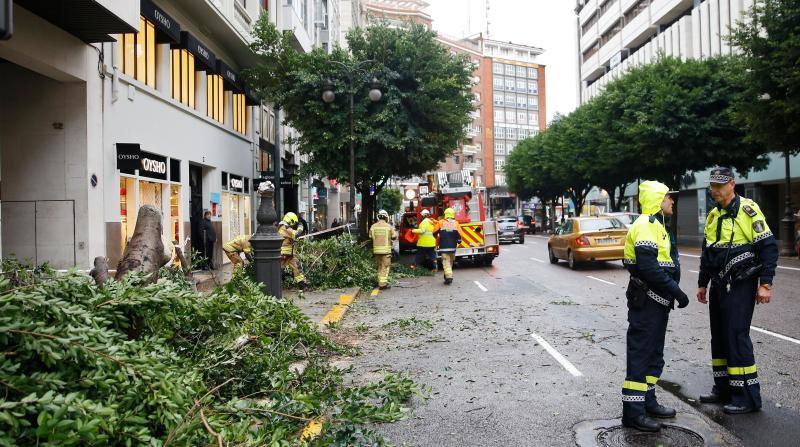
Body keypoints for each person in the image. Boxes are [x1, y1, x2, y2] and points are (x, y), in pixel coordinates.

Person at [696, 167, 778, 414]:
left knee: (736, 335)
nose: (715, 191)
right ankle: (723, 388)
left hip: (741, 283)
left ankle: (747, 397)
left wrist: (765, 283)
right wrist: (702, 283)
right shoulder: (712, 216)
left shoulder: (748, 210)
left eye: (719, 186)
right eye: (712, 186)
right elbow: (707, 253)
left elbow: (768, 247)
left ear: (732, 184)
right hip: (719, 284)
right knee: (719, 336)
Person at [621, 181, 689, 432]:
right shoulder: (646, 225)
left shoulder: (657, 226)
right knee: (640, 356)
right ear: (658, 200)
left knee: (653, 355)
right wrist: (677, 292)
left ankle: (648, 401)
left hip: (656, 303)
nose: (672, 201)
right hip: (647, 301)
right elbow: (649, 268)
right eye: (669, 198)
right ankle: (633, 413)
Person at [279, 212, 308, 290]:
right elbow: (296, 234)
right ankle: (277, 285)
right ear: (290, 220)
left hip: (289, 254)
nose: (293, 225)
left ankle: (302, 285)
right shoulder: (284, 227)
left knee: (296, 267)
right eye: (293, 223)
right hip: (285, 254)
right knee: (280, 269)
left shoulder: (283, 227)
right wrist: (300, 226)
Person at [370, 209, 397, 289]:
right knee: (385, 267)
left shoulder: (373, 226)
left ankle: (380, 282)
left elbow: (370, 237)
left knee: (379, 266)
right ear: (386, 217)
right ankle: (382, 284)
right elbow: (394, 236)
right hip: (386, 251)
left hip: (376, 250)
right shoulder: (389, 226)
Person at [438, 207, 462, 285]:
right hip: (452, 248)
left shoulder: (441, 222)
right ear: (453, 214)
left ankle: (448, 277)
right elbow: (460, 234)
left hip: (444, 247)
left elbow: (434, 231)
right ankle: (447, 275)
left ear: (445, 214)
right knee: (450, 262)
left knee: (446, 262)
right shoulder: (456, 223)